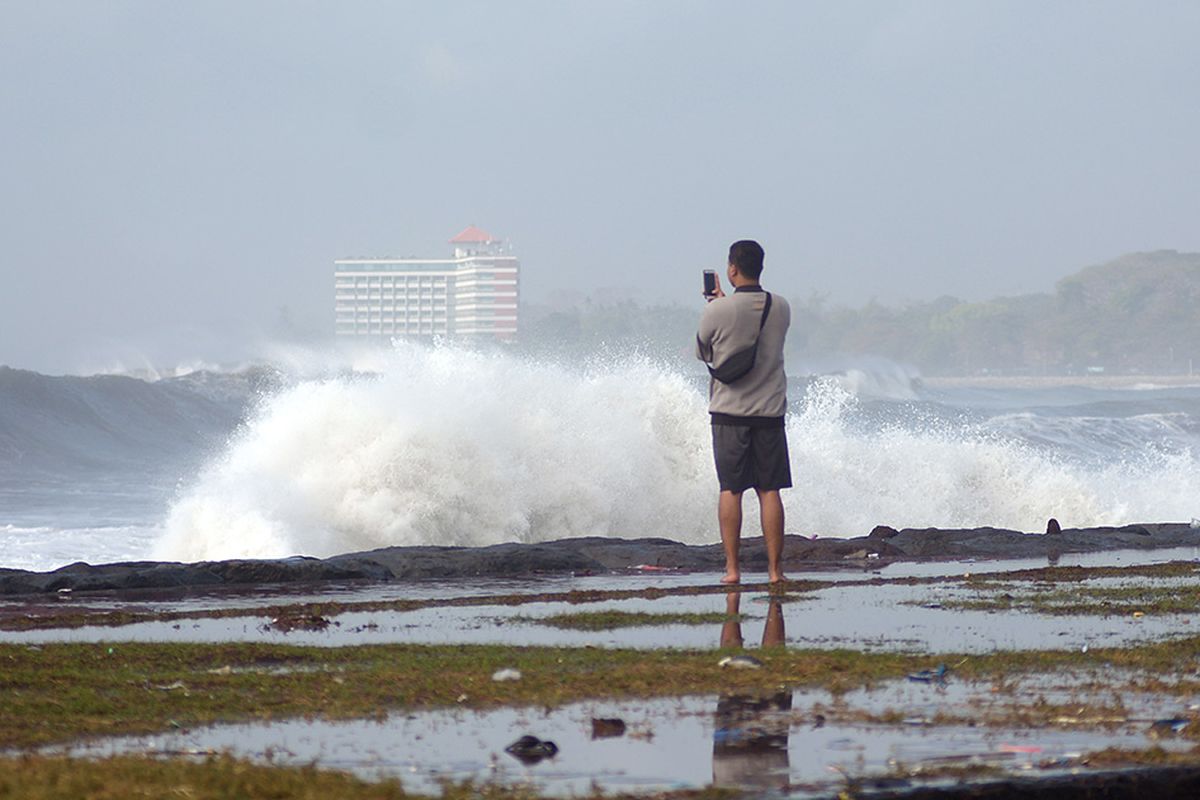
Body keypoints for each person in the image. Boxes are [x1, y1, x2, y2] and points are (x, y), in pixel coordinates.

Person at [696, 240, 791, 584]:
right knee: (769, 490)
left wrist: (717, 306)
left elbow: (702, 349)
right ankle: (775, 571)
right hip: (769, 411)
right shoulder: (781, 307)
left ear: (732, 269)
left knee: (731, 489)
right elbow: (756, 331)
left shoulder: (716, 311)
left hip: (729, 413)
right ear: (760, 267)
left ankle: (733, 570)